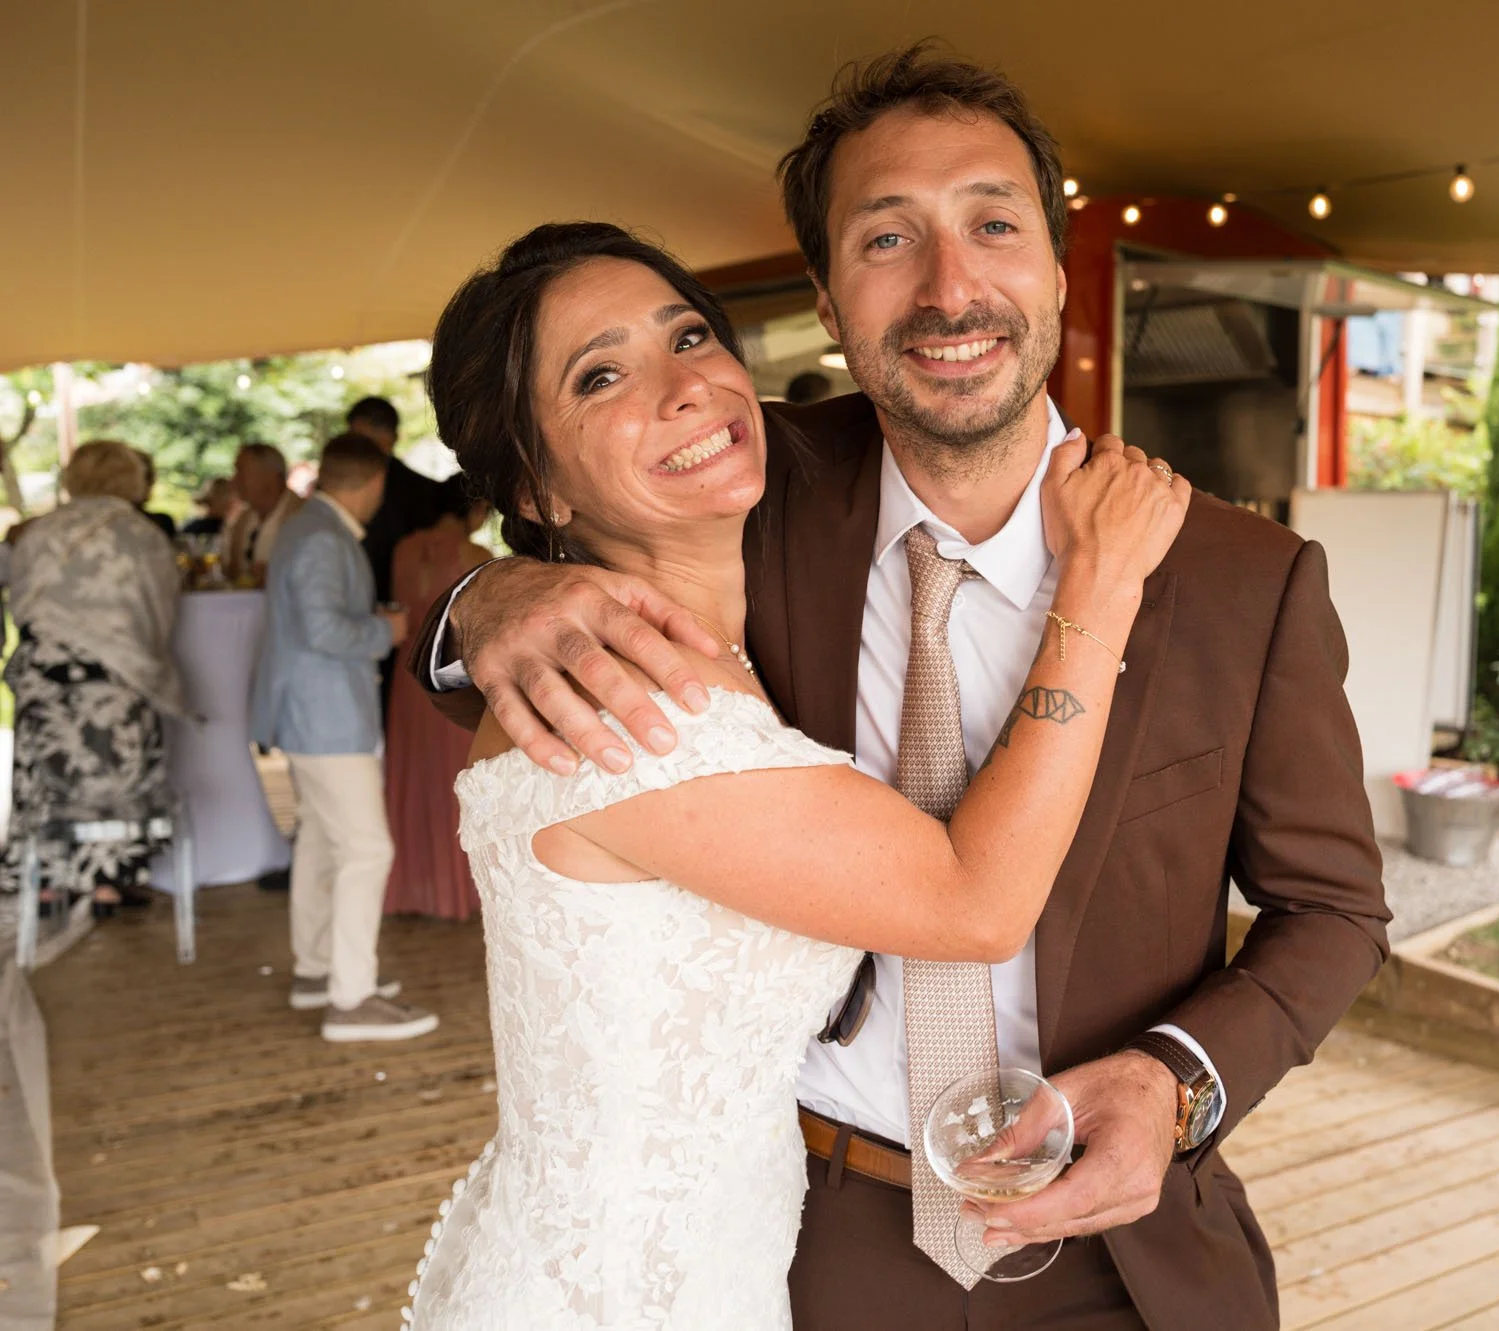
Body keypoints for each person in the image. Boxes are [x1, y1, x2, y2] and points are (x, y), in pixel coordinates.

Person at [414, 45, 1389, 1331]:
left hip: (1125, 1257)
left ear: (1052, 261)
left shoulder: (1235, 575)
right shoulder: (738, 484)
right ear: (828, 299)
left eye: (992, 223)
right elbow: (547, 661)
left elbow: (1333, 907)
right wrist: (491, 598)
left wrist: (1177, 1083)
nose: (949, 286)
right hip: (818, 1242)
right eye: (887, 239)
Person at [403, 220, 1186, 1329]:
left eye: (687, 334)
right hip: (626, 1293)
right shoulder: (632, 704)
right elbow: (971, 902)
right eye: (602, 373)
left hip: (723, 1256)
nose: (683, 385)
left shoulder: (721, 621)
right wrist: (1098, 582)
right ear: (536, 485)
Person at [252, 434, 434, 1042]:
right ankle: (351, 999)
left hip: (313, 715)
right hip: (326, 717)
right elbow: (325, 630)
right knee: (366, 850)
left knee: (324, 845)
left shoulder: (308, 530)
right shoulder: (323, 538)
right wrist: (387, 629)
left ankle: (316, 970)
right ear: (373, 482)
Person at [5, 440, 184, 917]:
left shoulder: (39, 531)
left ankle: (44, 879)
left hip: (44, 680)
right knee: (120, 773)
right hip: (115, 679)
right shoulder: (142, 534)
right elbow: (161, 610)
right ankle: (110, 880)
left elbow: (19, 596)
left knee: (44, 778)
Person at [381, 476, 491, 921]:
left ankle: (411, 886)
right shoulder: (477, 558)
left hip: (408, 682)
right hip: (452, 683)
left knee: (411, 774)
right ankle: (456, 891)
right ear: (474, 509)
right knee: (453, 781)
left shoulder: (404, 549)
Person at [348, 396, 450, 727]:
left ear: (390, 437)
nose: (356, 448)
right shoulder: (340, 489)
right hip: (356, 616)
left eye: (363, 439)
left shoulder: (424, 493)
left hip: (411, 623)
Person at [220, 442, 305, 585]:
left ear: (271, 477)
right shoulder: (242, 520)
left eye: (241, 472)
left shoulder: (304, 516)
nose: (234, 481)